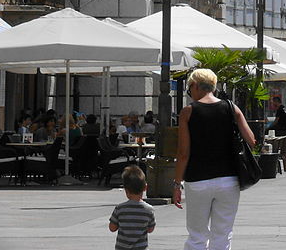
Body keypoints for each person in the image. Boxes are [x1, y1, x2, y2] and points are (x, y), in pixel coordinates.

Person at [173, 67, 256, 250]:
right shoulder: (231, 107)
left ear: (194, 86)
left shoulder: (188, 112)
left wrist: (177, 184)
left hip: (197, 180)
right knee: (223, 234)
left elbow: (183, 153)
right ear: (213, 86)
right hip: (228, 179)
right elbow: (251, 140)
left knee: (197, 235)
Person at [109, 165, 155, 250]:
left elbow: (112, 228)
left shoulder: (120, 209)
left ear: (126, 190)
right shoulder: (149, 210)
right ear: (145, 187)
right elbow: (150, 229)